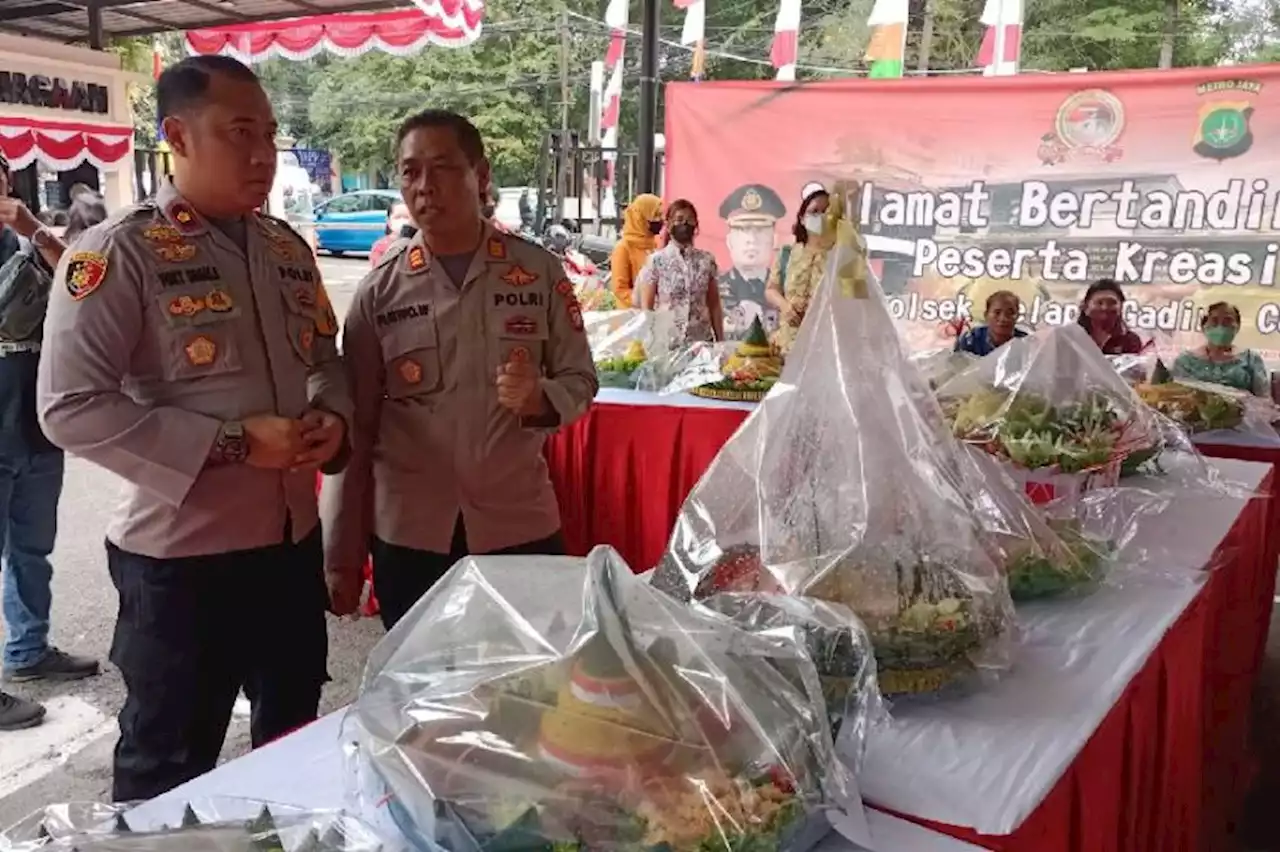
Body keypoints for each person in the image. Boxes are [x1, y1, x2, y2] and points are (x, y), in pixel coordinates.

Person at [37, 55, 351, 800]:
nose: (263, 153)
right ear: (177, 135)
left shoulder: (285, 249)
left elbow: (323, 356)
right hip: (181, 568)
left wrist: (332, 417)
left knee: (292, 747)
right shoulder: (119, 253)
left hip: (288, 550)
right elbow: (68, 407)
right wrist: (234, 442)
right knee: (167, 770)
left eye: (270, 134)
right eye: (240, 133)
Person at [321, 110, 597, 630]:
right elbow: (353, 430)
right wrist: (340, 556)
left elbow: (581, 379)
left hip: (519, 527)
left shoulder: (537, 273)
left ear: (481, 175)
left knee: (527, 690)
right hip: (411, 537)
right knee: (423, 693)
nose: (425, 186)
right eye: (410, 171)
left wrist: (541, 399)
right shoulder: (379, 292)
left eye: (443, 167)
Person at [0, 153, 96, 733]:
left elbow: (83, 282)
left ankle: (28, 651)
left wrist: (34, 230)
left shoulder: (25, 240)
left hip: (34, 423)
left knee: (32, 550)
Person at [637, 199, 724, 346]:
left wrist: (721, 341)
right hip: (667, 343)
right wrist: (649, 342)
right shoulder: (656, 261)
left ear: (696, 225)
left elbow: (714, 304)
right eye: (679, 220)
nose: (685, 224)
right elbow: (647, 308)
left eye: (690, 220)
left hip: (700, 342)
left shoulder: (706, 260)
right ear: (669, 224)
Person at [765, 188, 832, 355]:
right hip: (786, 345)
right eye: (815, 212)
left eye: (827, 212)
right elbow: (771, 289)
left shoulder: (840, 258)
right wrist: (785, 306)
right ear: (802, 218)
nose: (821, 217)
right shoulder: (787, 253)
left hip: (824, 348)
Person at [717, 183, 786, 339]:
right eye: (742, 229)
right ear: (729, 240)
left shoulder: (786, 288)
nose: (751, 240)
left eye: (760, 229)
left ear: (775, 239)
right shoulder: (714, 289)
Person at [1172, 302, 1269, 396]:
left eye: (1227, 321)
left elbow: (1263, 399)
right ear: (1203, 326)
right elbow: (1177, 396)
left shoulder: (1250, 360)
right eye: (1214, 321)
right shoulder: (1185, 361)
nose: (1221, 327)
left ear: (1237, 326)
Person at [609, 193, 662, 309]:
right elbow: (620, 289)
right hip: (631, 316)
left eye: (660, 215)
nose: (659, 220)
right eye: (655, 215)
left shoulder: (654, 244)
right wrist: (646, 302)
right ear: (640, 217)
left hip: (653, 315)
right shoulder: (623, 248)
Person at [1078, 278, 1144, 355]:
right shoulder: (1070, 338)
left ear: (1121, 307)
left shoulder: (1131, 340)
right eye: (1099, 303)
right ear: (1085, 307)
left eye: (1112, 303)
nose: (1105, 307)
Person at [954, 290, 1028, 356]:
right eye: (997, 312)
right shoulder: (971, 340)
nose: (1003, 318)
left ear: (1018, 316)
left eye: (1010, 313)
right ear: (986, 315)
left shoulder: (1026, 343)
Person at [370, 200, 413, 267]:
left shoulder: (417, 242)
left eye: (406, 217)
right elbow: (377, 270)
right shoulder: (380, 246)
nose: (402, 221)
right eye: (398, 217)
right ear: (388, 221)